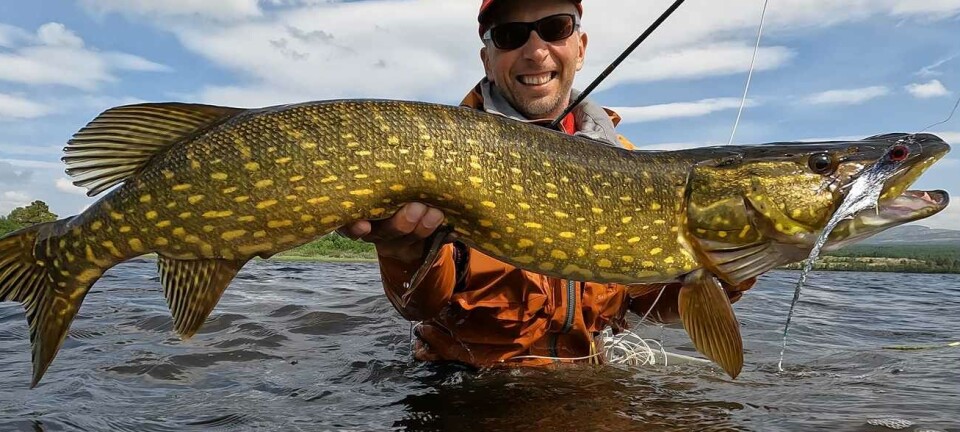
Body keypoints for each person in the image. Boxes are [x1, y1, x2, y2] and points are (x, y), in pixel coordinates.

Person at [339, 0, 753, 367]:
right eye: (510, 35)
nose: (535, 52)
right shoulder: (442, 153)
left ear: (580, 46)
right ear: (487, 59)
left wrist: (735, 267)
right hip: (466, 387)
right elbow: (421, 306)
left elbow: (647, 303)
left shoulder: (630, 165)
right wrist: (402, 253)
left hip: (588, 384)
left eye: (555, 28)